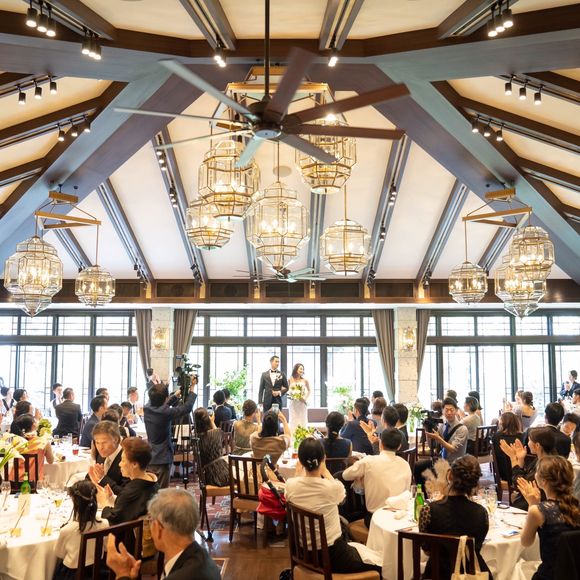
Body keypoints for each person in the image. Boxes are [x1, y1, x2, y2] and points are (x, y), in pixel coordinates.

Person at [285, 438, 382, 576]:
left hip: (305, 554)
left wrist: (298, 472)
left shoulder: (290, 486)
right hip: (334, 557)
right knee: (381, 564)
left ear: (300, 461)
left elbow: (292, 487)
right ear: (323, 459)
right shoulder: (331, 488)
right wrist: (325, 471)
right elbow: (342, 496)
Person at [106, 488, 220, 580]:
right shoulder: (203, 557)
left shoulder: (182, 576)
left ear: (158, 527)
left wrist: (122, 574)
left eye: (151, 520)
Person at [419, 455, 491, 580]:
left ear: (450, 475)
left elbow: (427, 550)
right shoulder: (482, 513)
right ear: (475, 483)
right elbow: (476, 547)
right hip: (470, 574)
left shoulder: (428, 510)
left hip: (437, 573)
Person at [518, 455, 580, 580]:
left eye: (537, 471)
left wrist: (532, 504)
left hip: (550, 575)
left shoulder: (538, 511)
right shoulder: (576, 506)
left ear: (543, 481)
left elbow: (525, 542)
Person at [342, 429, 411, 527]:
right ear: (399, 446)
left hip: (375, 520)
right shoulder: (405, 464)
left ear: (380, 444)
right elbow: (406, 491)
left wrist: (361, 475)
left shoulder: (368, 461)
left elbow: (345, 475)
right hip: (400, 519)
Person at [144, 381, 196, 488]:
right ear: (165, 398)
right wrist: (192, 388)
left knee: (150, 489)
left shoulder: (147, 407)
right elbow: (187, 408)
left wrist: (175, 395)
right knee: (162, 490)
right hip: (162, 457)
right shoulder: (165, 413)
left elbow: (163, 405)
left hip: (150, 456)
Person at [53, 481, 109, 580]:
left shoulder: (67, 530)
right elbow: (105, 548)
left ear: (75, 504)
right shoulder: (104, 524)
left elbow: (59, 553)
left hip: (73, 575)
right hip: (98, 572)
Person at [97, 437, 159, 525]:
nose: (119, 464)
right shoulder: (152, 482)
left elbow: (114, 520)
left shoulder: (132, 491)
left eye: (123, 460)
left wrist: (104, 503)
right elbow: (129, 508)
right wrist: (111, 498)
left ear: (134, 464)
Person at [414, 398, 468, 490]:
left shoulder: (462, 429)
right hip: (442, 461)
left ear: (456, 410)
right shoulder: (443, 426)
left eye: (451, 410)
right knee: (418, 466)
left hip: (455, 464)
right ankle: (424, 494)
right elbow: (432, 446)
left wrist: (438, 438)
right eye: (446, 410)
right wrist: (427, 430)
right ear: (443, 411)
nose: (449, 413)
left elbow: (452, 449)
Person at [500, 426, 556, 511]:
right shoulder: (542, 458)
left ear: (537, 445)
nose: (528, 443)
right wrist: (521, 459)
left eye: (529, 440)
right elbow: (525, 475)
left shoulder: (546, 465)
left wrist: (513, 458)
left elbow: (521, 483)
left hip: (537, 505)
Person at [87, 420, 129, 494]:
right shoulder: (102, 454)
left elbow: (125, 494)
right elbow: (91, 479)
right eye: (97, 443)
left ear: (116, 440)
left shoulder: (127, 458)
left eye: (104, 442)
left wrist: (103, 479)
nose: (100, 447)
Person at [10, 413, 54, 480]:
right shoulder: (43, 442)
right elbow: (51, 461)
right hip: (34, 483)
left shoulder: (15, 442)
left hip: (14, 481)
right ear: (34, 425)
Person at [193, 408, 229, 487]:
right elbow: (220, 435)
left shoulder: (195, 439)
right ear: (207, 419)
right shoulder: (214, 434)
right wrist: (212, 422)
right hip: (221, 474)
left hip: (206, 476)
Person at [492, 411, 524, 482]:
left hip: (502, 472)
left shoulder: (496, 436)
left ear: (502, 423)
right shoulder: (522, 437)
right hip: (519, 472)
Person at [288, 362, 310, 431]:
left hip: (302, 403)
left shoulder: (305, 380)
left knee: (302, 420)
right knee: (293, 420)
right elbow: (288, 391)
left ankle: (302, 435)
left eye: (303, 369)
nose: (302, 370)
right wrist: (292, 395)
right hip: (293, 403)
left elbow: (309, 390)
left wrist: (305, 398)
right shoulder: (290, 379)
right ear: (296, 369)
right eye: (300, 369)